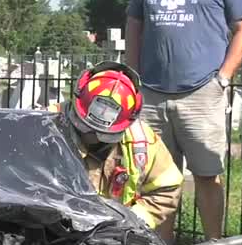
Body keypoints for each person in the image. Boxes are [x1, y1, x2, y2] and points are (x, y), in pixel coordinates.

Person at [124, 0, 242, 245]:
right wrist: (133, 77)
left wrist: (223, 77)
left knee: (207, 176)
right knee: (156, 180)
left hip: (201, 92)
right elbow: (135, 25)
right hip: (152, 94)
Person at [48, 61, 184, 231]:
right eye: (85, 128)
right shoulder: (44, 127)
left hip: (113, 238)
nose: (92, 138)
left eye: (102, 134)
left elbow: (167, 189)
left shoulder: (142, 142)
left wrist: (129, 223)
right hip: (50, 232)